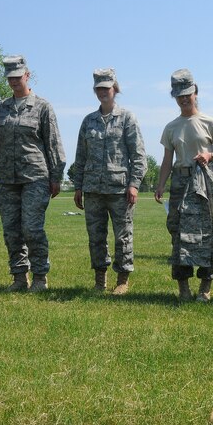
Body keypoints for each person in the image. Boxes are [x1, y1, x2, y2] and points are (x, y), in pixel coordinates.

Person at [0, 55, 66, 292]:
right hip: (7, 179)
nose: (14, 82)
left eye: (18, 77)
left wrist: (56, 176)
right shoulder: (2, 108)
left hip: (36, 177)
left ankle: (40, 277)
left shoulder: (42, 107)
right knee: (11, 230)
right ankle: (19, 277)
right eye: (10, 78)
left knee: (32, 229)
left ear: (27, 75)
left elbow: (54, 144)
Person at [154, 69, 213, 302]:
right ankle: (183, 288)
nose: (184, 99)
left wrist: (210, 156)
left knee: (208, 233)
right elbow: (168, 159)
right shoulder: (171, 127)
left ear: (196, 92)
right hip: (180, 183)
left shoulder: (210, 122)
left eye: (188, 94)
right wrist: (160, 185)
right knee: (178, 234)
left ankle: (205, 287)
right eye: (179, 96)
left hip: (204, 182)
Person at [71, 67, 146, 295]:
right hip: (93, 189)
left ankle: (122, 280)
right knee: (96, 237)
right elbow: (80, 157)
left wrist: (134, 184)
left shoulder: (127, 118)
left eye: (106, 88)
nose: (103, 92)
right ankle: (100, 280)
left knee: (123, 236)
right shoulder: (88, 121)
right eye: (99, 89)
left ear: (115, 89)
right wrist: (78, 186)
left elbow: (138, 155)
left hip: (119, 189)